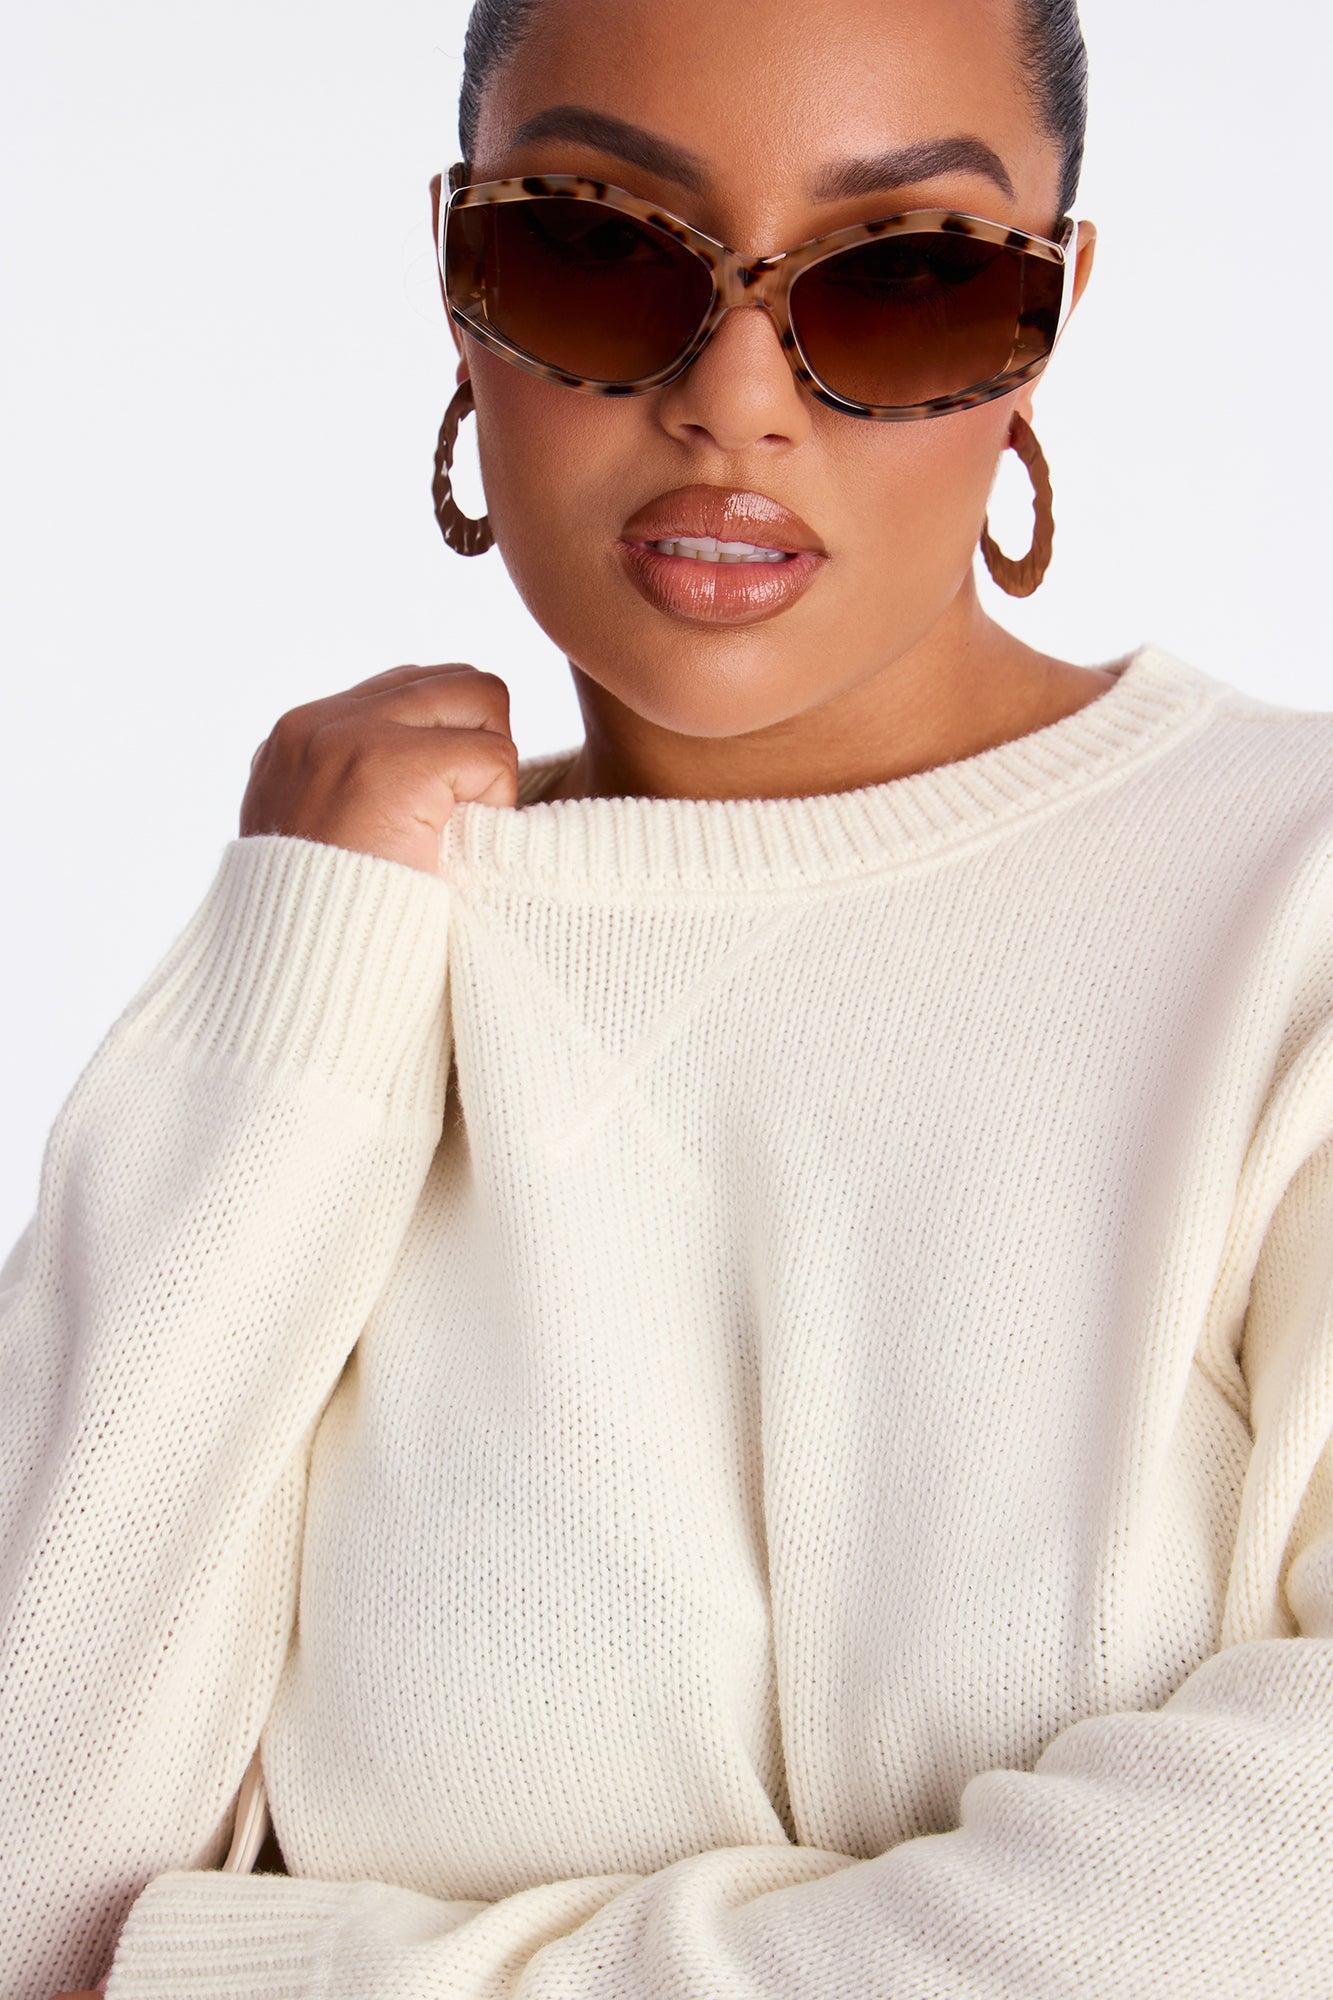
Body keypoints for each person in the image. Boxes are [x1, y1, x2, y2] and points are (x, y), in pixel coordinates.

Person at [6, 0, 1332, 1995]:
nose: (733, 399)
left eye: (903, 278)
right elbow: (25, 1883)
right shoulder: (338, 989)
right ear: (455, 282)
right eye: (593, 247)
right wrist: (294, 993)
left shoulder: (1293, 903)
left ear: (1046, 317)